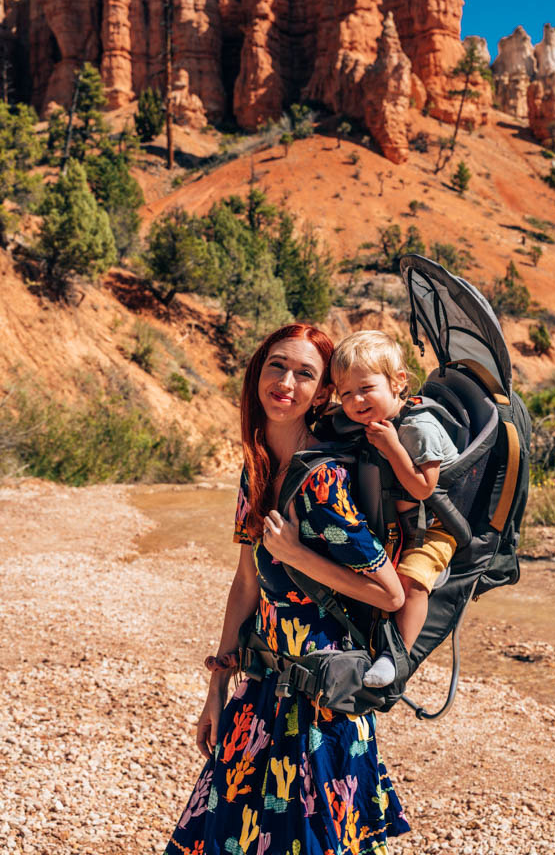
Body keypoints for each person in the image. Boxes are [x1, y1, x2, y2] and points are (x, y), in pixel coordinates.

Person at [164, 323, 410, 855]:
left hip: (319, 710)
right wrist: (215, 689)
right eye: (277, 366)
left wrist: (298, 555)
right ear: (258, 373)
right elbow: (246, 580)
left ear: (322, 393)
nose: (286, 383)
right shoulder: (257, 468)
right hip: (257, 695)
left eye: (305, 374)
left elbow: (390, 594)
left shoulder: (323, 480)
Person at [330, 331, 460, 688]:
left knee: (411, 582)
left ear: (398, 382)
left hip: (436, 527)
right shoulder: (370, 423)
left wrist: (392, 448)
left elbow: (424, 487)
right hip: (400, 525)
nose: (355, 400)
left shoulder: (419, 427)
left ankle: (396, 654)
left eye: (366, 388)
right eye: (345, 393)